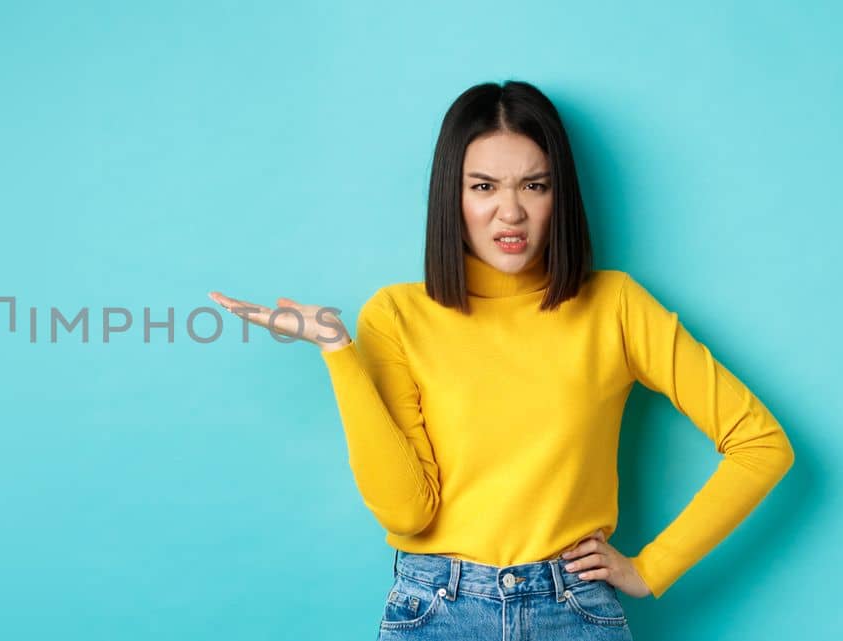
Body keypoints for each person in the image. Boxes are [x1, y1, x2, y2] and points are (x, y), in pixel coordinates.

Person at [207, 80, 794, 640]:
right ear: (452, 195)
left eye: (534, 186)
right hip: (436, 608)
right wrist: (338, 351)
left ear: (558, 194)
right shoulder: (396, 315)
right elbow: (408, 512)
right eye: (483, 187)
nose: (510, 212)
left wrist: (652, 567)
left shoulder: (614, 306)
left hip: (571, 609)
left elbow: (761, 443)